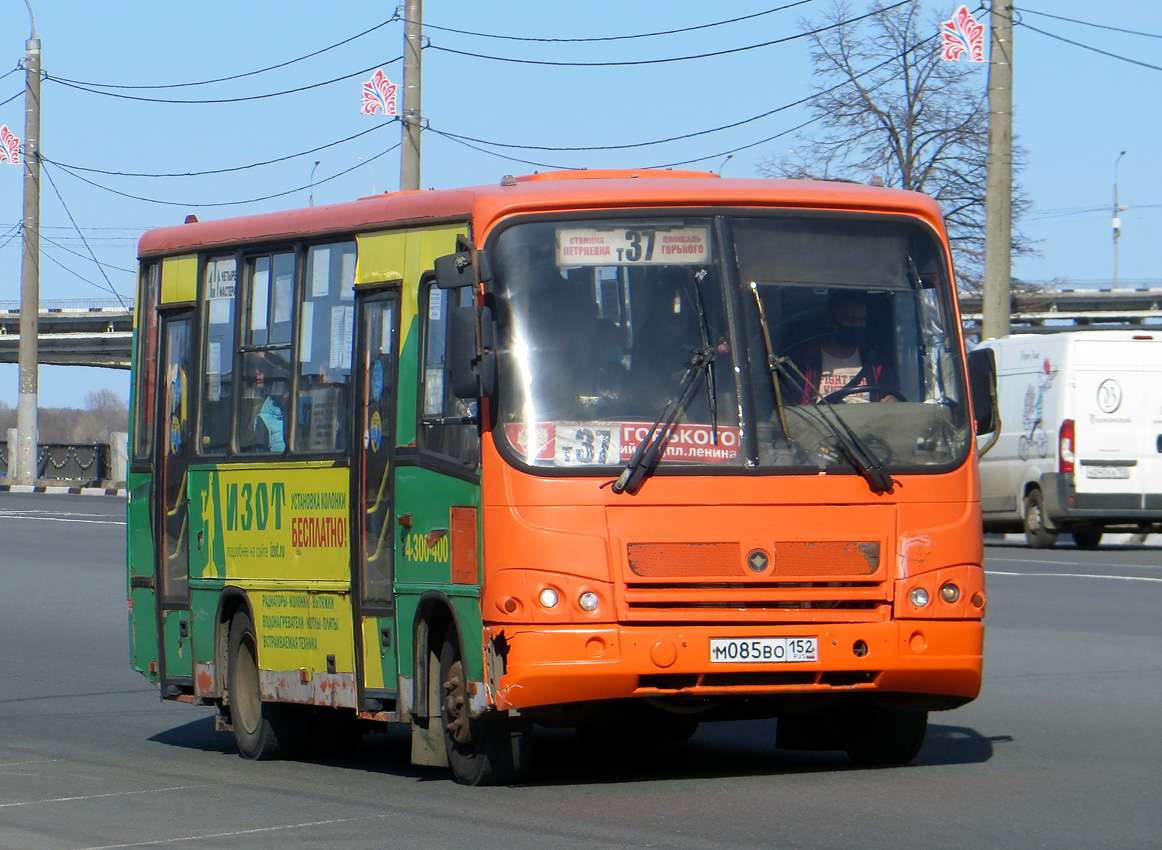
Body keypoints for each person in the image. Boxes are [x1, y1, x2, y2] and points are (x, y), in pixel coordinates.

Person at [790, 291, 899, 404]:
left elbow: (893, 399)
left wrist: (893, 400)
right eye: (850, 319)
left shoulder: (876, 365)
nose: (856, 326)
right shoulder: (805, 364)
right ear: (830, 321)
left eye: (861, 320)